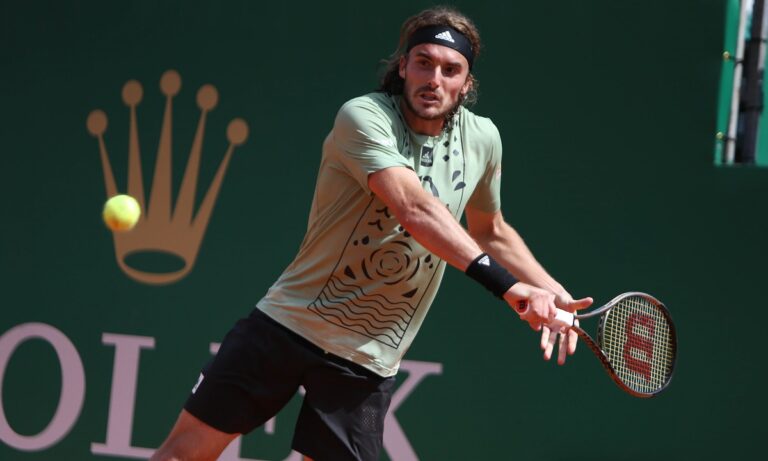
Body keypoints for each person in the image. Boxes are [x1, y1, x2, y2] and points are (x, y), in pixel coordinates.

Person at [151, 6, 592, 461]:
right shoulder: (363, 116)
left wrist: (551, 291)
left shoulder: (483, 140)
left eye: (450, 70)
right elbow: (414, 208)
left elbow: (491, 230)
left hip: (368, 358)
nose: (434, 79)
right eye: (423, 62)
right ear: (402, 66)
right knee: (183, 455)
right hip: (288, 324)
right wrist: (510, 288)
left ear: (467, 83)